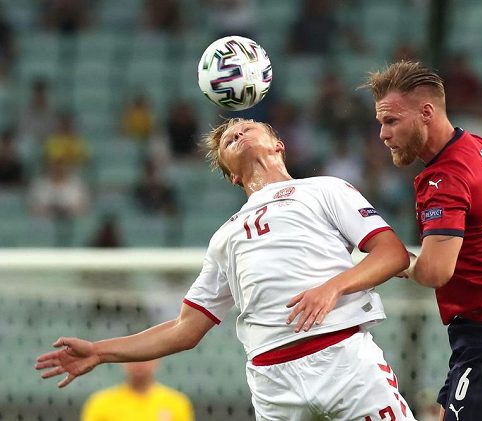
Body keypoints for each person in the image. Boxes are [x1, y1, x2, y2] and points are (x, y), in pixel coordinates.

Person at [36, 118, 418, 421]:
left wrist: (332, 288)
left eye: (248, 126)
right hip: (274, 382)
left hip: (343, 359)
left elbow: (392, 255)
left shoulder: (324, 190)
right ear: (232, 176)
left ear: (278, 144)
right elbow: (186, 328)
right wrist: (101, 352)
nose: (236, 130)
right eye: (226, 139)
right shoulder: (225, 236)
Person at [364, 60, 482, 421]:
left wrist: (395, 261)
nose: (383, 135)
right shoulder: (475, 146)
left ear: (425, 113)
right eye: (381, 123)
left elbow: (436, 272)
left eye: (391, 121)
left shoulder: (445, 179)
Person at [81, 359, 194, 421]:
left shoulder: (177, 402)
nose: (139, 364)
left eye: (146, 358)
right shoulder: (100, 402)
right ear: (122, 362)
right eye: (132, 358)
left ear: (157, 361)